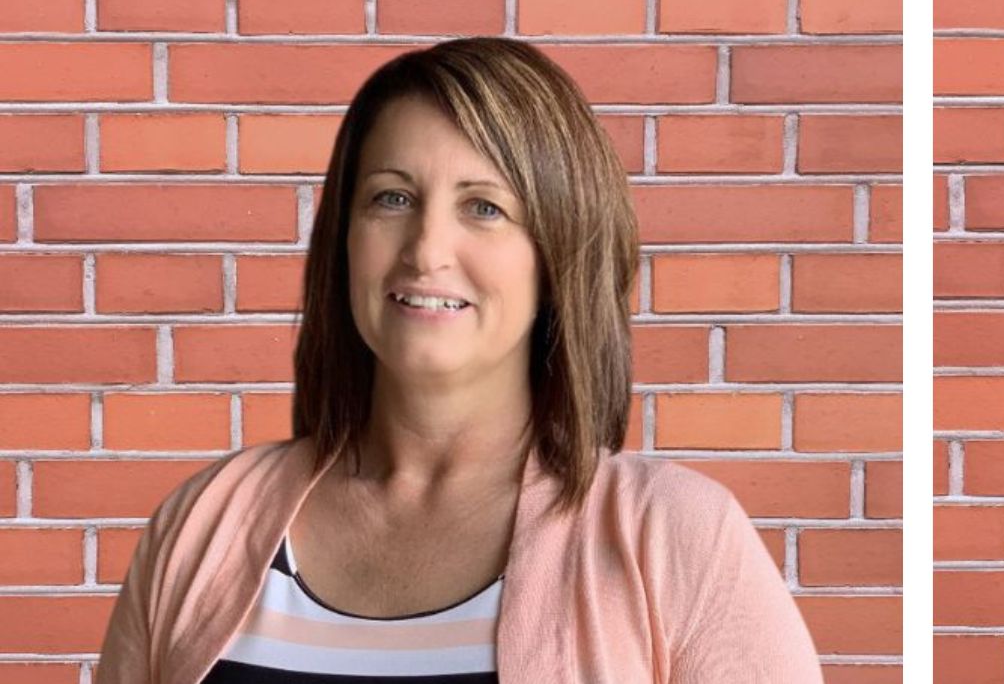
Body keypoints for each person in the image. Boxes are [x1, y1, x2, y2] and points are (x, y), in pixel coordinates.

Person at [96, 37, 823, 683]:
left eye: (484, 207)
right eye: (392, 198)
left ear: (556, 255)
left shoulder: (675, 537)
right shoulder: (202, 523)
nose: (426, 250)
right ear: (344, 239)